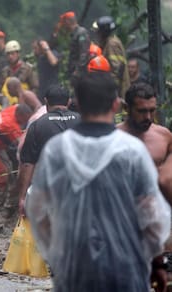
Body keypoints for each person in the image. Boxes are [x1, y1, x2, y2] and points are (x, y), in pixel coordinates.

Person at [26, 71, 171, 292]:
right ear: (115, 105)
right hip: (126, 267)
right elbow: (152, 214)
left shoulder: (58, 150)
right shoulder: (131, 150)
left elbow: (37, 211)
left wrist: (56, 255)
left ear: (77, 104)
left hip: (76, 269)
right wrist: (157, 262)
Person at [117, 82, 172, 258]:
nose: (148, 116)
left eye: (152, 110)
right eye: (141, 111)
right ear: (127, 108)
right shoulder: (111, 139)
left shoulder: (164, 136)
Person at [14, 85, 80, 217]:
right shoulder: (83, 121)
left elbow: (27, 164)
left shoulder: (37, 125)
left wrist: (22, 198)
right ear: (68, 102)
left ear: (46, 101)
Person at [93, 16, 130, 98]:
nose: (96, 33)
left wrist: (109, 90)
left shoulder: (112, 44)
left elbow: (116, 71)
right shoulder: (108, 42)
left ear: (103, 32)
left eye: (98, 31)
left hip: (116, 94)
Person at [57, 11, 90, 84]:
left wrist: (78, 70)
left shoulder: (81, 33)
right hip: (73, 71)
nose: (63, 25)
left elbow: (84, 53)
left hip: (79, 73)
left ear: (68, 21)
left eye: (64, 22)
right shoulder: (73, 34)